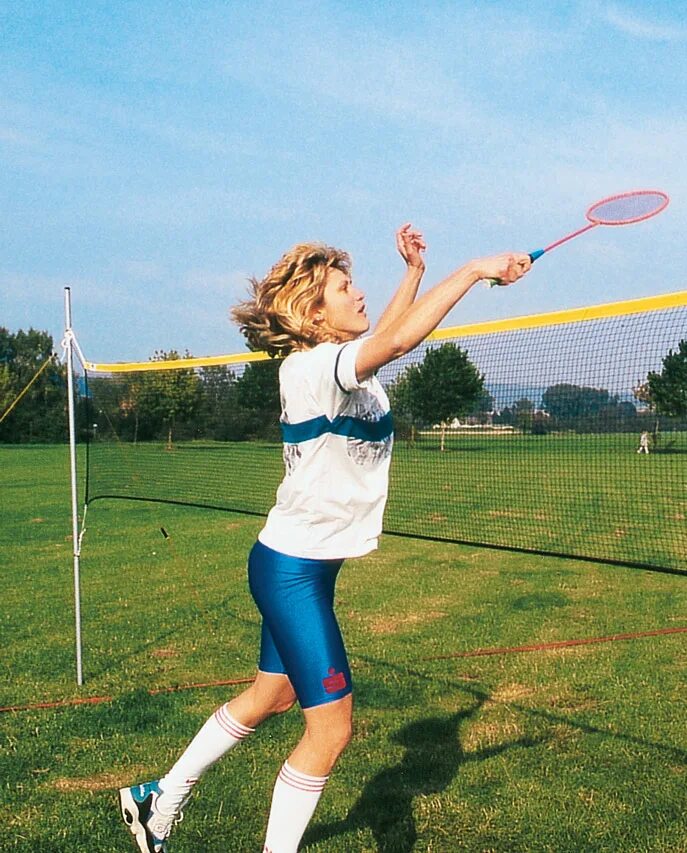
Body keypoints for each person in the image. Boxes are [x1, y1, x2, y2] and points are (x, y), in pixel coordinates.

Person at [118, 225, 531, 853]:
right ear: (315, 315)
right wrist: (474, 271)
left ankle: (159, 798)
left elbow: (381, 337)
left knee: (270, 695)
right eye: (345, 287)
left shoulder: (341, 367)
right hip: (291, 572)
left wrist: (415, 273)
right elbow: (390, 343)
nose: (357, 293)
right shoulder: (310, 369)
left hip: (302, 565)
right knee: (331, 731)